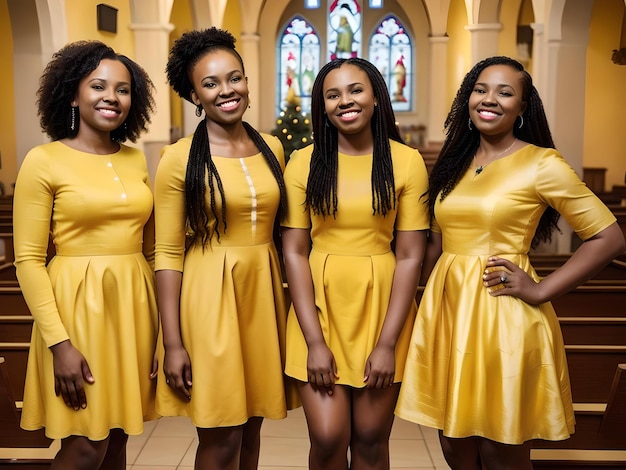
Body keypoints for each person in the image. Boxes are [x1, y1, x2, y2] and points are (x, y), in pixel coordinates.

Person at [395, 56, 626, 469]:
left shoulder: (542, 163)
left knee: (500, 451)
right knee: (455, 449)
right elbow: (433, 241)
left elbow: (609, 238)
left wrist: (541, 289)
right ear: (468, 98)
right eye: (481, 89)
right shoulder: (454, 162)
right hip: (449, 312)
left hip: (501, 313)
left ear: (522, 108)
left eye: (505, 92)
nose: (490, 99)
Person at [154, 27, 297, 470]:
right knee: (221, 436)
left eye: (234, 78)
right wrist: (172, 342)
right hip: (210, 295)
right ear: (195, 96)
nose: (226, 91)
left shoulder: (272, 147)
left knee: (252, 429)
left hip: (262, 294)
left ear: (248, 83)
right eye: (210, 84)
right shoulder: (179, 157)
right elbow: (167, 252)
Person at [13, 40, 158, 469]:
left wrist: (162, 332)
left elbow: (150, 251)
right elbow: (28, 259)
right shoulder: (43, 161)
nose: (111, 97)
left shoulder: (136, 160)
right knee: (85, 446)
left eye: (123, 89)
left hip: (132, 308)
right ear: (73, 94)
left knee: (116, 439)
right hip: (75, 314)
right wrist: (60, 344)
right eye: (98, 86)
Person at [281, 57, 429, 470]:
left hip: (383, 308)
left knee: (369, 439)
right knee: (329, 437)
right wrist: (313, 342)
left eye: (355, 90)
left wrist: (386, 343)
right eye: (333, 94)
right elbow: (293, 250)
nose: (345, 101)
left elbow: (410, 255)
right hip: (319, 309)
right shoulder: (303, 162)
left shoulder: (406, 161)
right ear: (323, 106)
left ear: (377, 98)